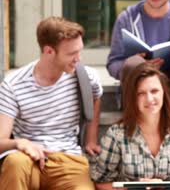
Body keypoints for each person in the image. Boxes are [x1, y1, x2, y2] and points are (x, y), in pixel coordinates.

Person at [0, 17, 103, 189]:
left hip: (68, 160)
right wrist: (20, 143)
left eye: (80, 51)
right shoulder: (13, 85)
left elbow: (96, 95)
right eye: (71, 54)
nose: (78, 58)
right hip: (27, 159)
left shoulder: (84, 76)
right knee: (14, 163)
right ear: (49, 51)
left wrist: (91, 139)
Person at [91, 62, 170, 189]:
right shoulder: (116, 134)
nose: (149, 99)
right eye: (141, 93)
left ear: (164, 93)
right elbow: (100, 181)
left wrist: (168, 188)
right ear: (133, 97)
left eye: (154, 91)